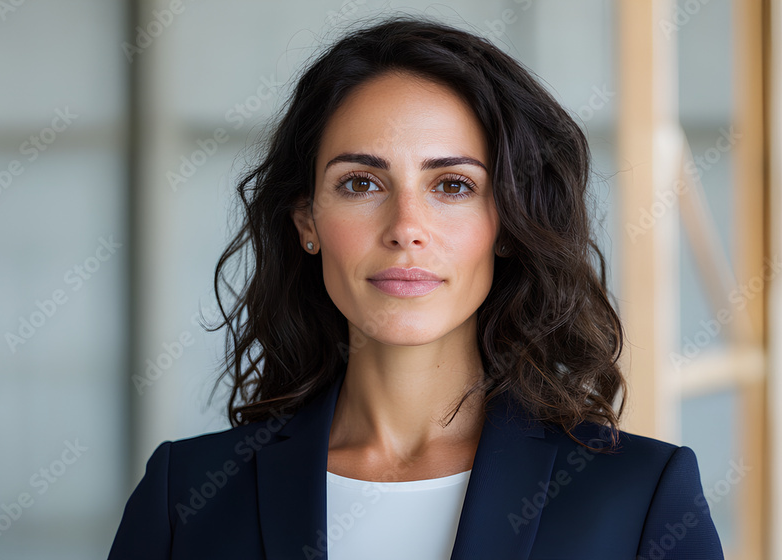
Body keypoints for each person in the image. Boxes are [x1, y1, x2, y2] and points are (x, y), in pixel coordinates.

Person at [107, 15, 725, 559]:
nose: (405, 229)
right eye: (360, 183)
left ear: (506, 224)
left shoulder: (640, 494)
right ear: (307, 223)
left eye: (452, 185)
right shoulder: (185, 496)